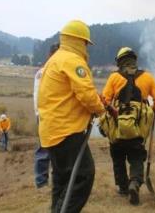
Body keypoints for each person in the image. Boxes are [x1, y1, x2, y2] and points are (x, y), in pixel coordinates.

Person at [38, 20, 105, 213]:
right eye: (85, 43)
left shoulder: (56, 58)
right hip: (66, 130)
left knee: (62, 178)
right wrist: (100, 109)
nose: (86, 47)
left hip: (52, 130)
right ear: (78, 41)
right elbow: (85, 92)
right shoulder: (72, 60)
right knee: (84, 175)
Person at [102, 47, 155, 205]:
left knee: (118, 157)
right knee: (136, 157)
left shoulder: (114, 77)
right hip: (138, 129)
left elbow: (104, 100)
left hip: (117, 128)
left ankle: (123, 188)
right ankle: (135, 183)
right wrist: (153, 112)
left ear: (120, 61)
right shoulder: (147, 77)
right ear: (134, 60)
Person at [33, 43, 59, 189]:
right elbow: (38, 96)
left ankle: (54, 180)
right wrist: (40, 114)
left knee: (54, 149)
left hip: (51, 115)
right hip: (46, 115)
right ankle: (42, 181)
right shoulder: (43, 73)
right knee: (44, 149)